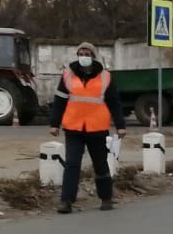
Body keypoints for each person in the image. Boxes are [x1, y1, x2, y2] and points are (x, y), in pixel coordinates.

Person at [49, 42, 126, 213]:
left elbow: (114, 103)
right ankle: (66, 201)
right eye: (81, 52)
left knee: (100, 164)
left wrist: (120, 126)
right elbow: (59, 101)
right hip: (74, 128)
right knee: (72, 164)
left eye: (87, 53)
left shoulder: (105, 77)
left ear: (93, 56)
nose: (84, 55)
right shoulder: (68, 75)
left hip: (97, 128)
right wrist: (54, 124)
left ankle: (106, 198)